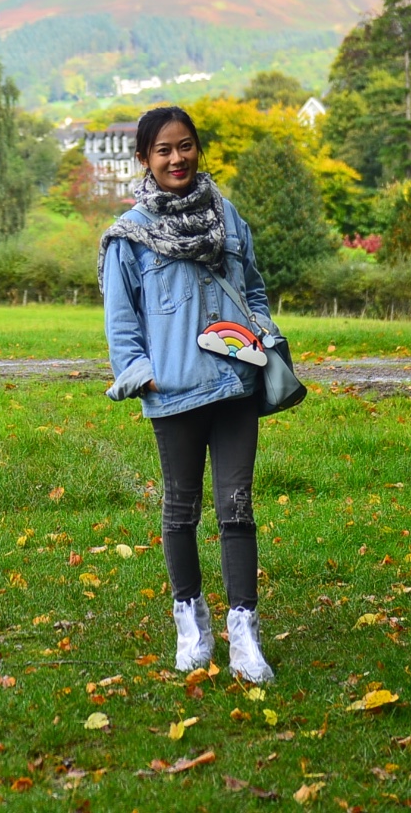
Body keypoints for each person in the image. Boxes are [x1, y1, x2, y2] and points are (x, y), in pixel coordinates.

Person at [99, 104, 279, 682]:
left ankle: (244, 634)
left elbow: (253, 288)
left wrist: (262, 335)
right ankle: (191, 622)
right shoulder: (130, 235)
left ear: (197, 148)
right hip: (173, 391)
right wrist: (139, 371)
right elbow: (121, 318)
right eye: (163, 150)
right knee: (180, 511)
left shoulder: (227, 217)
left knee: (237, 508)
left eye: (185, 146)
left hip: (235, 386)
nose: (176, 158)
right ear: (144, 160)